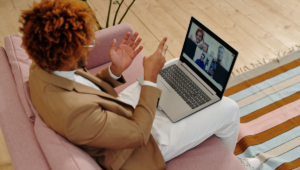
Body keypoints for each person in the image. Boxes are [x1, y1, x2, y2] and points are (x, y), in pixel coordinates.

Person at [20, 0, 260, 170]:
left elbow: (82, 89)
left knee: (177, 64)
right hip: (140, 147)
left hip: (113, 114)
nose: (91, 44)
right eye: (85, 44)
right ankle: (233, 164)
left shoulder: (41, 66)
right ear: (67, 54)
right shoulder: (74, 114)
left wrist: (115, 71)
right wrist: (150, 80)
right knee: (229, 109)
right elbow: (138, 134)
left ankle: (182, 100)